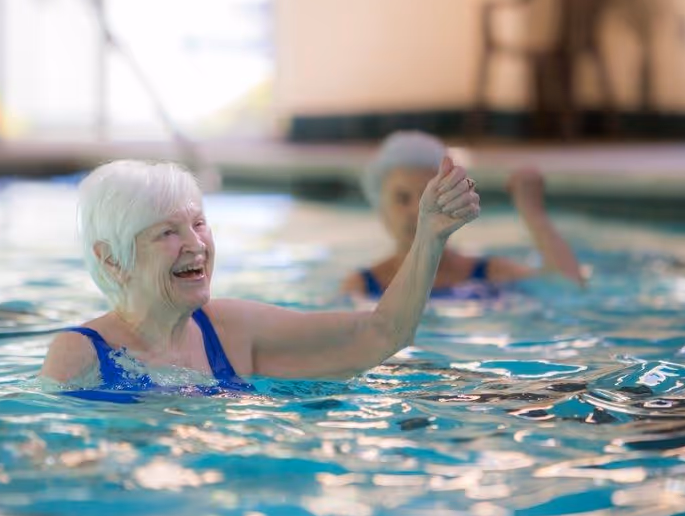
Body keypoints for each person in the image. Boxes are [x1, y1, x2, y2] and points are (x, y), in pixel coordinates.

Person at [40, 156, 480, 392]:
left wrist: (430, 238)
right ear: (112, 260)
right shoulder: (81, 355)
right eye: (167, 233)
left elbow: (383, 334)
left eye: (198, 223)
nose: (195, 244)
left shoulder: (230, 331)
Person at [342, 131, 584, 298]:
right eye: (402, 198)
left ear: (454, 201)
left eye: (430, 195)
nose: (418, 209)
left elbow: (569, 289)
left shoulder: (488, 274)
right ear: (381, 210)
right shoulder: (361, 288)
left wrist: (532, 212)